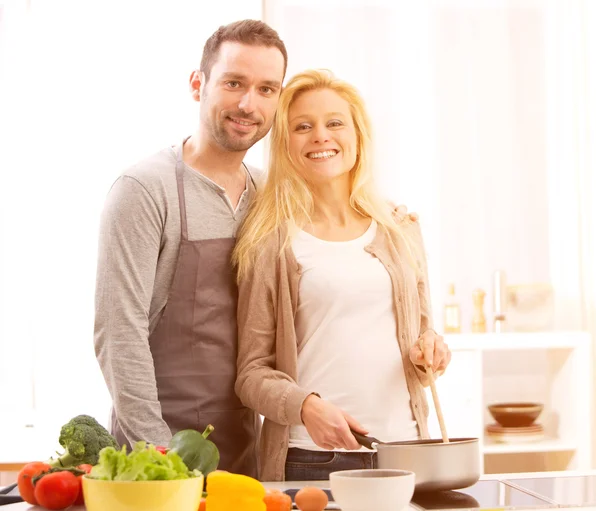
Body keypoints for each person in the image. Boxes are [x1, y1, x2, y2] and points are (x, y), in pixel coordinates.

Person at [233, 69, 452, 482]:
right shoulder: (270, 242)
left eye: (334, 122)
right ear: (284, 144)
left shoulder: (400, 228)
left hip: (405, 452)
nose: (320, 136)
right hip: (313, 459)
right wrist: (306, 407)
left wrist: (432, 353)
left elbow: (422, 347)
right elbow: (251, 374)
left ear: (357, 135)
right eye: (302, 126)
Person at [93, 19, 289, 478]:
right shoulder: (144, 189)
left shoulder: (270, 195)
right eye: (234, 83)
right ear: (198, 84)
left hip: (243, 458)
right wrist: (161, 460)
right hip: (150, 462)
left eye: (266, 89)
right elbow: (118, 333)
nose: (248, 103)